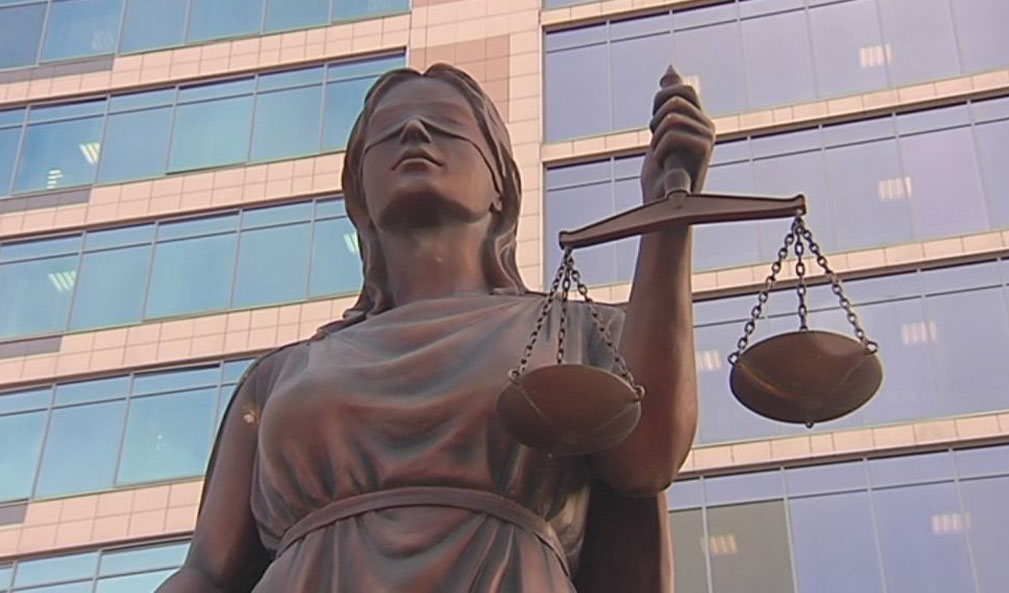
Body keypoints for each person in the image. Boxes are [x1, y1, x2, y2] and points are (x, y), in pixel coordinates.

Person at [157, 62, 713, 593]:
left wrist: (669, 219)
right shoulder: (279, 377)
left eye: (445, 126)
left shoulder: (573, 333)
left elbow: (647, 458)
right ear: (360, 198)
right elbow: (208, 572)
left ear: (500, 186)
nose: (414, 132)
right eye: (387, 134)